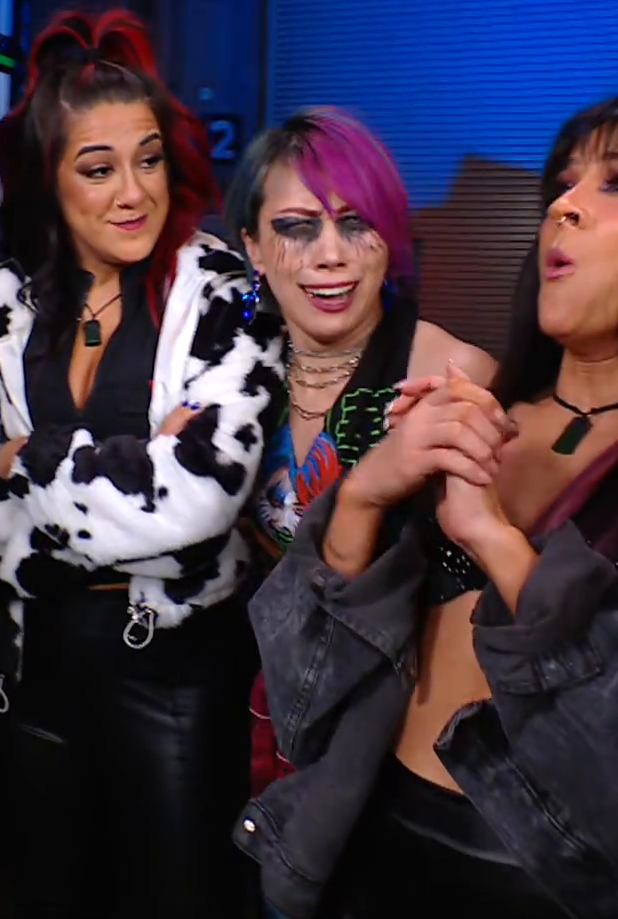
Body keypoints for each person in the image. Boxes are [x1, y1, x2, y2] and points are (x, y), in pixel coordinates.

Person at [247, 96, 618, 918]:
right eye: (563, 183)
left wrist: (497, 543)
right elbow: (305, 702)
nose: (565, 205)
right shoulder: (473, 411)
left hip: (550, 890)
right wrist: (365, 496)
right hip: (363, 851)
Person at [0, 8, 282, 918]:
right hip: (20, 674)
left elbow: (196, 503)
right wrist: (130, 470)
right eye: (99, 168)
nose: (133, 193)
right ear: (49, 179)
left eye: (148, 160)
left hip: (174, 679)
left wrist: (20, 460)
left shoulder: (226, 294)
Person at [223, 107, 493, 800]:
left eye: (355, 223)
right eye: (296, 227)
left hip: (392, 740)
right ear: (254, 246)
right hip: (244, 717)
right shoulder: (226, 373)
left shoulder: (448, 372)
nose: (330, 254)